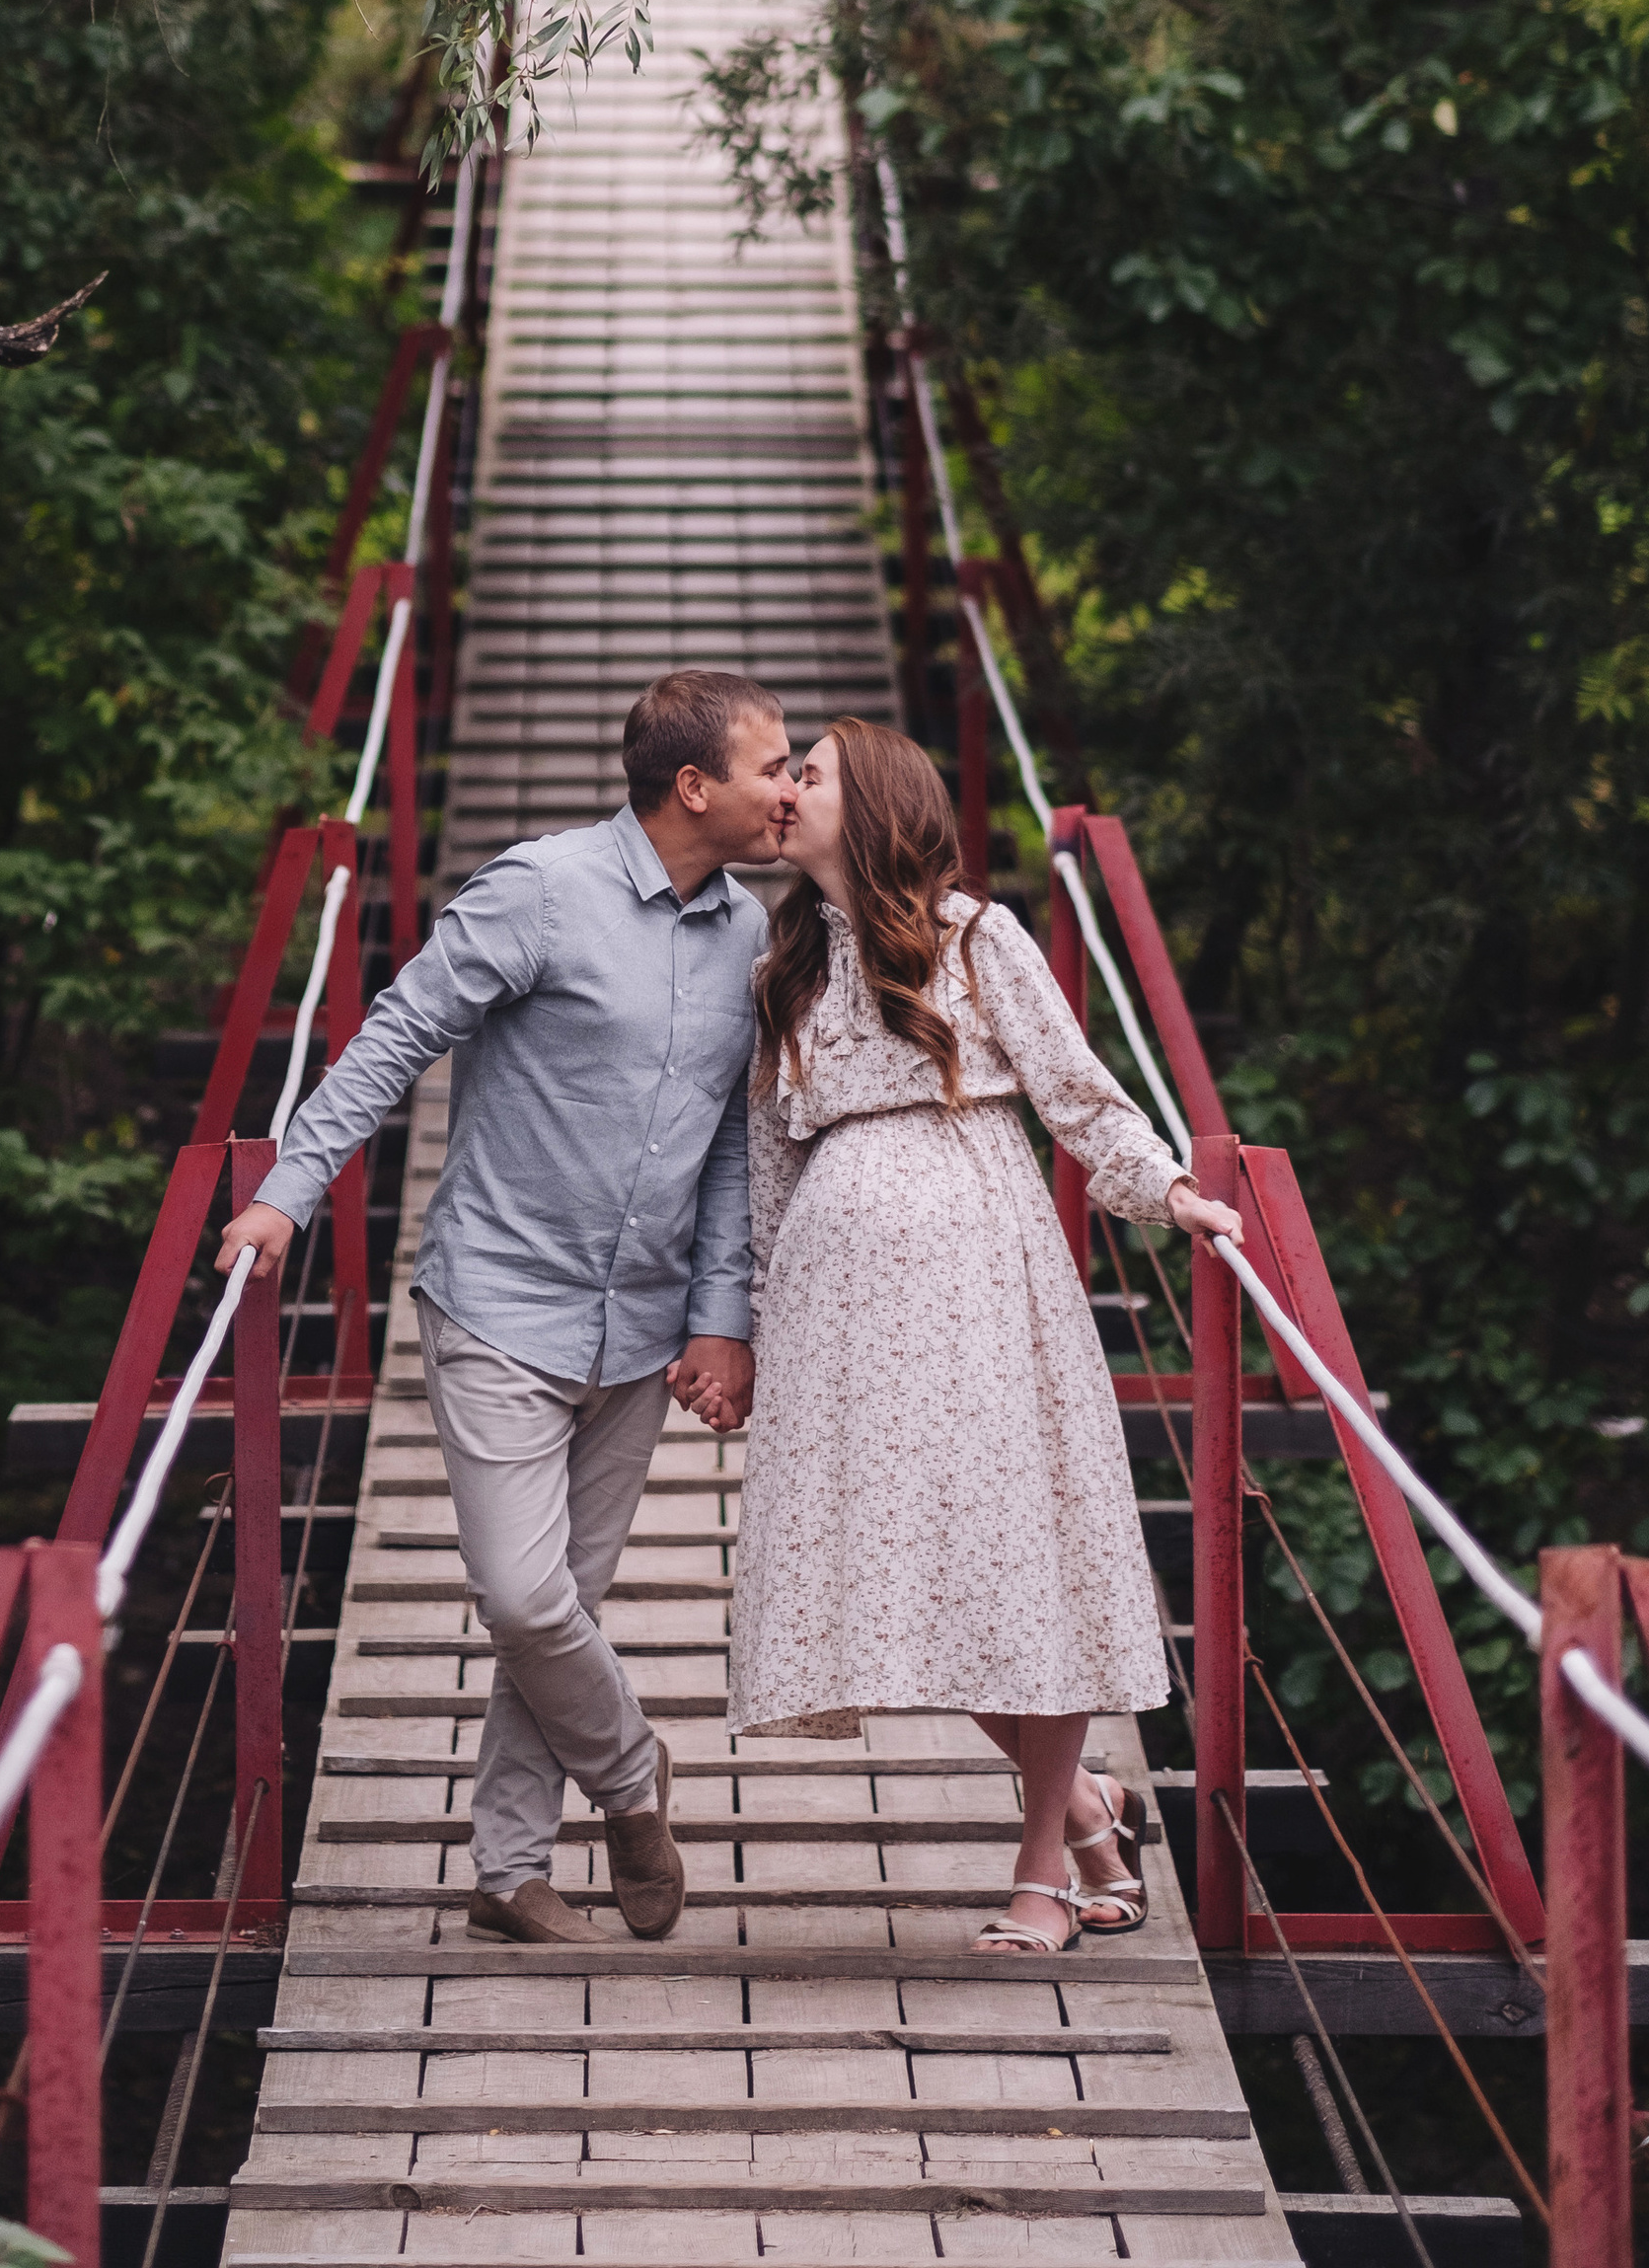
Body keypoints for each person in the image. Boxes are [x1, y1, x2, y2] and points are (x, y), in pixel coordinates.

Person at [218, 667, 789, 1946]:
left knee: (564, 1610)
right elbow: (392, 1038)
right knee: (527, 1602)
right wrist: (288, 1195)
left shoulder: (751, 932)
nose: (790, 789)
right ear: (694, 786)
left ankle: (509, 1875)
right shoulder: (542, 891)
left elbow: (731, 1151)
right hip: (499, 1307)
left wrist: (719, 1315)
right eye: (773, 766)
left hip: (642, 1329)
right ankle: (637, 1786)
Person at [718, 717, 1242, 1956]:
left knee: (1012, 1565)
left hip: (980, 1280)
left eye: (810, 773)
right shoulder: (781, 970)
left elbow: (1076, 1094)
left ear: (879, 801)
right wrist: (750, 1328)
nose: (785, 790)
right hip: (839, 1310)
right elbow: (766, 1168)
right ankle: (1090, 1808)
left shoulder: (976, 937)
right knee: (903, 1583)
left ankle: (1041, 1876)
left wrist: (1164, 1191)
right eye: (783, 771)